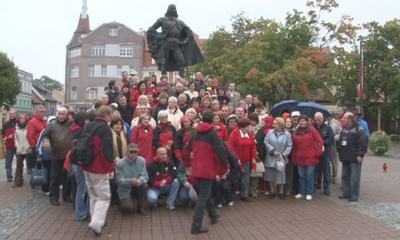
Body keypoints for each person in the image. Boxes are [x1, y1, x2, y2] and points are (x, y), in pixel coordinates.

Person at [183, 110, 228, 234]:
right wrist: (225, 165)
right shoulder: (212, 134)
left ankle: (213, 214)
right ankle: (196, 226)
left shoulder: (196, 132)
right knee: (203, 197)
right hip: (207, 169)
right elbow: (220, 151)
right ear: (212, 119)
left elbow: (186, 150)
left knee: (204, 193)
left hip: (197, 168)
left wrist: (187, 164)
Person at [81, 106, 115, 236]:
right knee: (104, 197)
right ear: (106, 115)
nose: (112, 117)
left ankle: (94, 219)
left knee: (93, 195)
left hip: (86, 165)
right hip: (99, 167)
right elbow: (107, 151)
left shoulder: (88, 126)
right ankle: (96, 223)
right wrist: (110, 168)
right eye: (111, 114)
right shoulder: (105, 129)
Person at [147, 4, 204, 77]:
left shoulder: (180, 22)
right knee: (163, 62)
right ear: (168, 9)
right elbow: (151, 30)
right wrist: (161, 36)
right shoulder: (162, 20)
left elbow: (189, 33)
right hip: (166, 43)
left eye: (174, 8)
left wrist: (184, 42)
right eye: (171, 8)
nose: (172, 9)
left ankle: (182, 77)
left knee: (181, 61)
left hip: (176, 44)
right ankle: (164, 78)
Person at [43, 107, 73, 205]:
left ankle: (66, 195)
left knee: (67, 177)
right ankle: (54, 197)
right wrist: (46, 142)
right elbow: (46, 136)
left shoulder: (70, 124)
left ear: (67, 115)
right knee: (55, 177)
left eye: (63, 114)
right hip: (56, 154)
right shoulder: (51, 125)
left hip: (68, 156)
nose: (60, 116)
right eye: (59, 114)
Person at [337, 112, 368, 202]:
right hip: (345, 156)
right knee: (345, 176)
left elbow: (363, 143)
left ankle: (354, 195)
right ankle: (346, 192)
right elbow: (340, 140)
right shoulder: (344, 129)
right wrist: (339, 149)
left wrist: (360, 155)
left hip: (355, 157)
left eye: (345, 118)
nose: (343, 120)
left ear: (350, 119)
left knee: (355, 177)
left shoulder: (359, 129)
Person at [292, 115, 323, 201]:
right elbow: (294, 147)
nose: (302, 123)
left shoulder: (312, 130)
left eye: (303, 121)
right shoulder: (296, 132)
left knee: (309, 176)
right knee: (301, 176)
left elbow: (319, 141)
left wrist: (318, 153)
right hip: (300, 158)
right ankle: (302, 192)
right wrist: (294, 158)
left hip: (311, 158)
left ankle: (309, 192)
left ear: (307, 122)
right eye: (300, 121)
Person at [229, 118, 257, 202]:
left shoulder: (249, 134)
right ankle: (231, 195)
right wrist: (236, 158)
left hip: (247, 160)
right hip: (236, 161)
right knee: (235, 178)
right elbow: (231, 147)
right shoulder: (234, 134)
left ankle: (244, 195)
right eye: (247, 127)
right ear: (241, 127)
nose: (248, 128)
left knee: (246, 178)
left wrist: (253, 157)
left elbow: (253, 146)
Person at [116, 143, 148, 215]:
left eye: (135, 152)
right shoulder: (120, 163)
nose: (133, 154)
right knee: (128, 209)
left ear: (137, 152)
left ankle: (140, 207)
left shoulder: (142, 161)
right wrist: (130, 181)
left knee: (144, 185)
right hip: (124, 189)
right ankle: (121, 203)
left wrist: (140, 181)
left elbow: (145, 176)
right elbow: (119, 180)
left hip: (137, 185)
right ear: (127, 152)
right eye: (131, 152)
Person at [264, 117, 292, 200]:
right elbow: (266, 142)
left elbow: (289, 146)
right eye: (273, 123)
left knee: (281, 175)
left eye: (275, 124)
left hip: (281, 157)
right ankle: (272, 191)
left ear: (280, 125)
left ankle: (281, 192)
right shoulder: (269, 132)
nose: (273, 125)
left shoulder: (287, 135)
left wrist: (283, 155)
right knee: (270, 174)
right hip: (271, 156)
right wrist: (272, 151)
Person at [70, 112, 91, 221]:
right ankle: (82, 213)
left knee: (82, 188)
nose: (88, 122)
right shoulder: (80, 131)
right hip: (80, 163)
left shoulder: (75, 130)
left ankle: (83, 212)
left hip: (77, 163)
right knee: (82, 189)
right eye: (87, 120)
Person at [313, 112, 335, 196]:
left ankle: (326, 187)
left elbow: (331, 139)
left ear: (322, 119)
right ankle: (315, 185)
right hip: (315, 152)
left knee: (326, 170)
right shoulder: (313, 128)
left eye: (319, 120)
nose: (318, 121)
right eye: (316, 120)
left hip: (325, 152)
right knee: (316, 170)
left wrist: (322, 143)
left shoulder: (328, 128)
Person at [248, 113, 266, 198]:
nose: (252, 122)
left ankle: (253, 190)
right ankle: (246, 190)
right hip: (247, 154)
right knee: (247, 173)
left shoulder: (260, 130)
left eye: (254, 121)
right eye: (251, 120)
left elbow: (263, 143)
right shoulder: (246, 129)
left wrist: (260, 153)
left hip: (258, 154)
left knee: (256, 173)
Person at [13, 113, 33, 187]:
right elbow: (16, 138)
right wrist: (17, 145)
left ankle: (33, 181)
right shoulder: (17, 128)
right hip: (20, 149)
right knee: (19, 165)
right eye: (20, 118)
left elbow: (30, 137)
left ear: (26, 119)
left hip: (28, 148)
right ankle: (18, 181)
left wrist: (29, 146)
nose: (21, 120)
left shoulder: (29, 127)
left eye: (23, 119)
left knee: (31, 166)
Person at [2, 109, 17, 182]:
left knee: (19, 162)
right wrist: (4, 137)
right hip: (9, 145)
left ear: (15, 114)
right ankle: (9, 176)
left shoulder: (18, 122)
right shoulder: (6, 124)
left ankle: (19, 176)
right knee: (8, 162)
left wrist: (13, 135)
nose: (11, 115)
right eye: (10, 114)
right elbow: (3, 134)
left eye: (12, 114)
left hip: (17, 145)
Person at [327, 114, 342, 184]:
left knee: (334, 162)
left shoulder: (336, 123)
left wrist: (334, 138)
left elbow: (340, 133)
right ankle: (328, 176)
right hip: (327, 145)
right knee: (327, 162)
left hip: (333, 145)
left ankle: (334, 177)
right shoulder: (326, 123)